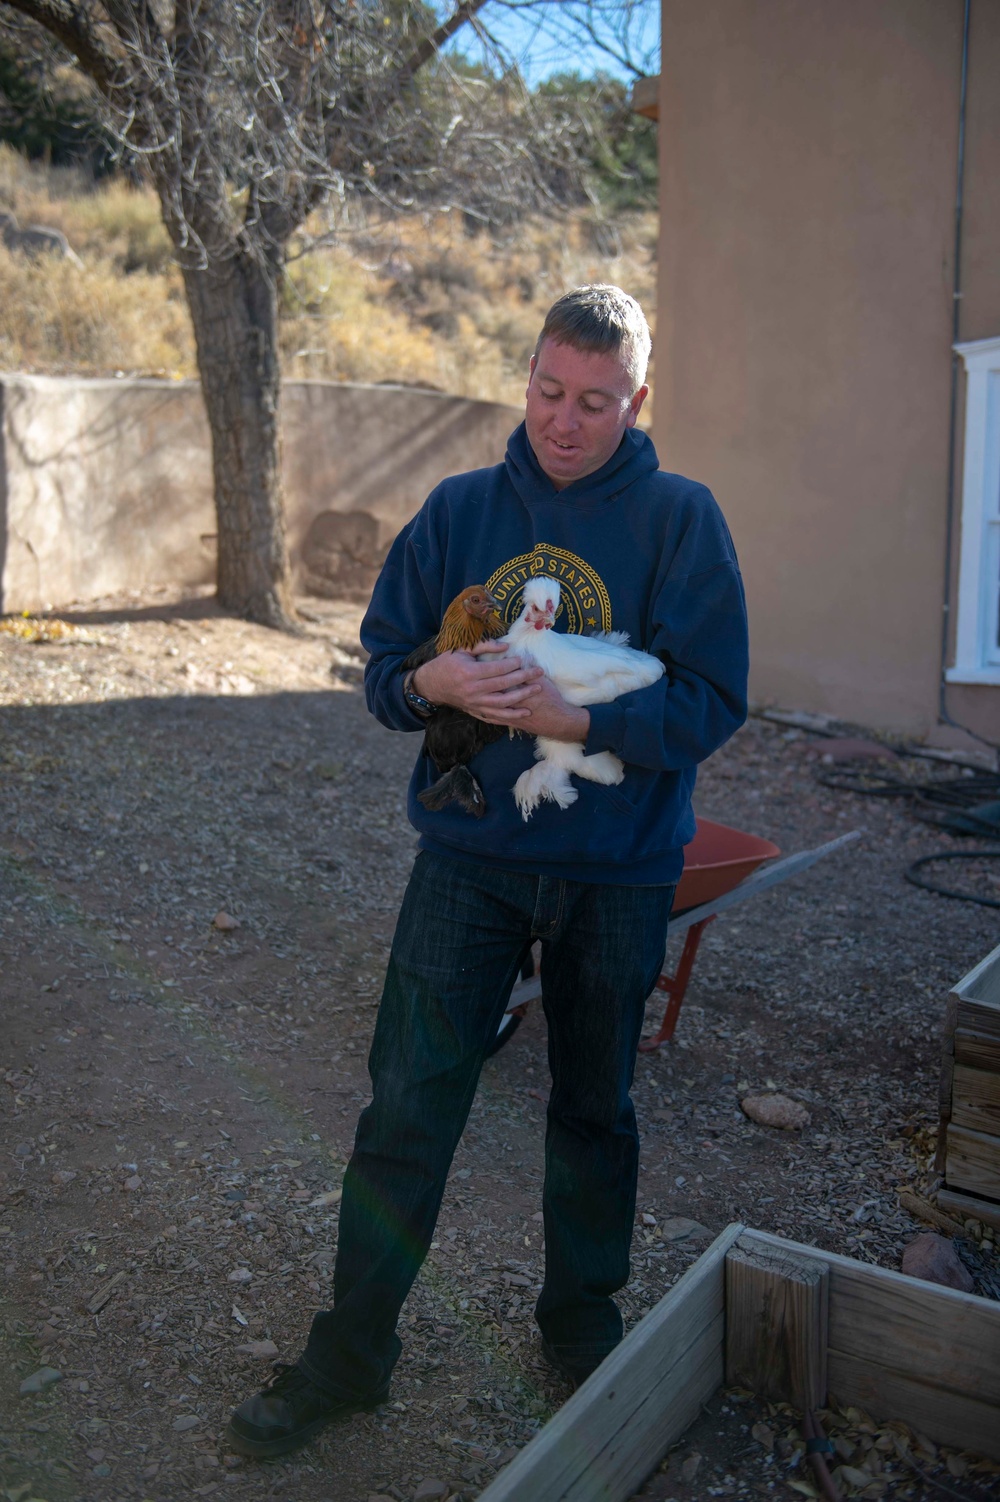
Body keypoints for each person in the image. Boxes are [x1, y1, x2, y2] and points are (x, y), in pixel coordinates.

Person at [227, 285, 749, 1459]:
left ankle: (579, 1328)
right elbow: (378, 668)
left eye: (597, 401)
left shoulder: (681, 519)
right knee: (406, 1105)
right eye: (550, 391)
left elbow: (715, 698)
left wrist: (583, 714)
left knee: (592, 1106)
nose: (567, 422)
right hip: (467, 859)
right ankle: (349, 1353)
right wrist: (434, 685)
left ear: (638, 399)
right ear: (526, 376)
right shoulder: (460, 509)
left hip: (617, 868)